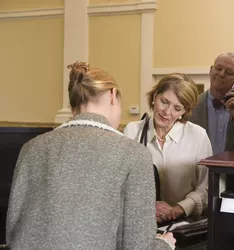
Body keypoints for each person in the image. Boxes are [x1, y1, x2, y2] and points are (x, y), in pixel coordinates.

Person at [6, 62, 175, 250]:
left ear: (73, 106)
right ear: (112, 95)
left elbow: (14, 231)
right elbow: (138, 246)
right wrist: (164, 244)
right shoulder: (134, 154)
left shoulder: (31, 148)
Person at [124, 73, 212, 224]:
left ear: (184, 111)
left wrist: (178, 209)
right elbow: (123, 184)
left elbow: (206, 187)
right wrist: (150, 206)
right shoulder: (132, 132)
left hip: (184, 223)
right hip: (140, 222)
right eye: (164, 102)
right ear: (155, 96)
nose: (167, 112)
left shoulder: (198, 136)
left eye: (177, 108)